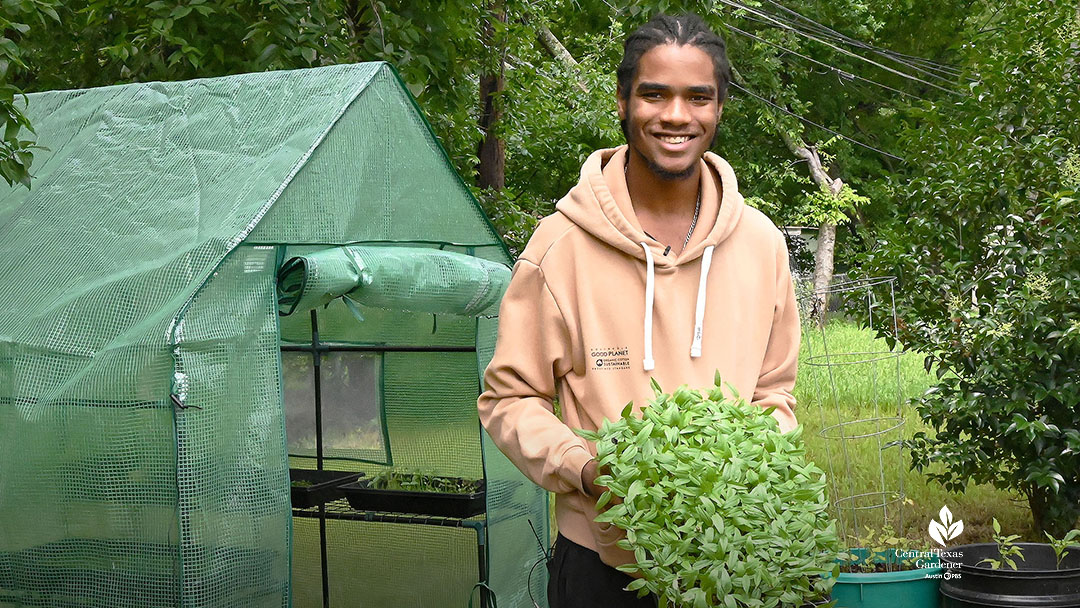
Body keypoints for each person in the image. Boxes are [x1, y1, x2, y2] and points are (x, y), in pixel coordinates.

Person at [477, 12, 800, 607]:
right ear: (624, 102)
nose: (676, 115)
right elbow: (508, 399)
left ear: (719, 108)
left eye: (697, 97)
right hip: (603, 565)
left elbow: (774, 394)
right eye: (655, 94)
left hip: (735, 558)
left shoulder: (761, 244)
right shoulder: (560, 248)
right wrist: (583, 467)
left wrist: (752, 461)